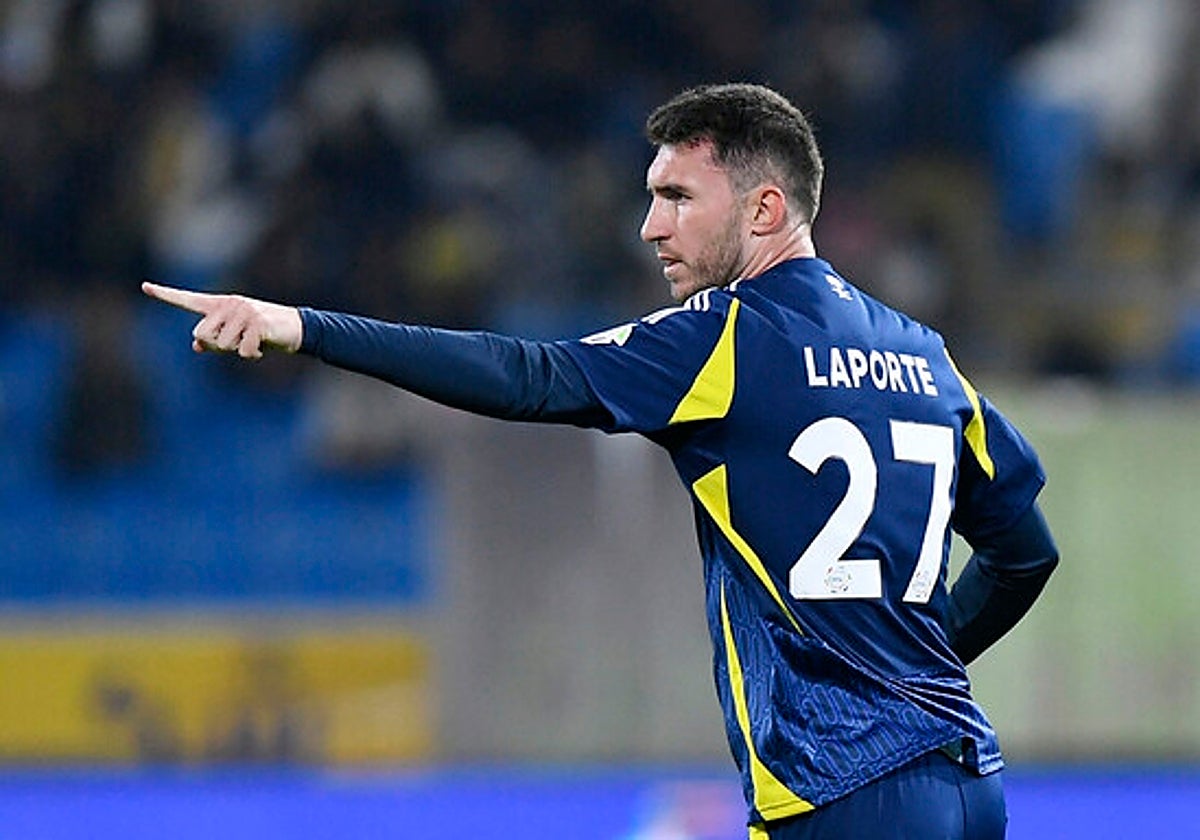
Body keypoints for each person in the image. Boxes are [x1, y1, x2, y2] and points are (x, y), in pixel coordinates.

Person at [143, 83, 1058, 839]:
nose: (651, 226)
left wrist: (305, 327)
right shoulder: (924, 356)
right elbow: (1026, 552)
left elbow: (528, 376)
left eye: (679, 198)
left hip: (845, 792)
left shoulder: (727, 338)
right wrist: (913, 674)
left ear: (765, 209)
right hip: (968, 778)